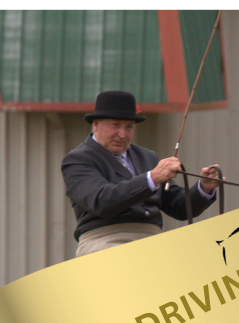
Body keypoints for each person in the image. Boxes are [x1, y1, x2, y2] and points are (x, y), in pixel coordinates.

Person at [62, 90, 221, 257]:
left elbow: (179, 207)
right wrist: (150, 179)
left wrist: (204, 188)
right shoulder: (77, 160)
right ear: (95, 124)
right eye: (115, 125)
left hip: (153, 240)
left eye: (129, 127)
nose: (122, 134)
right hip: (105, 240)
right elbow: (102, 201)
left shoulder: (147, 156)